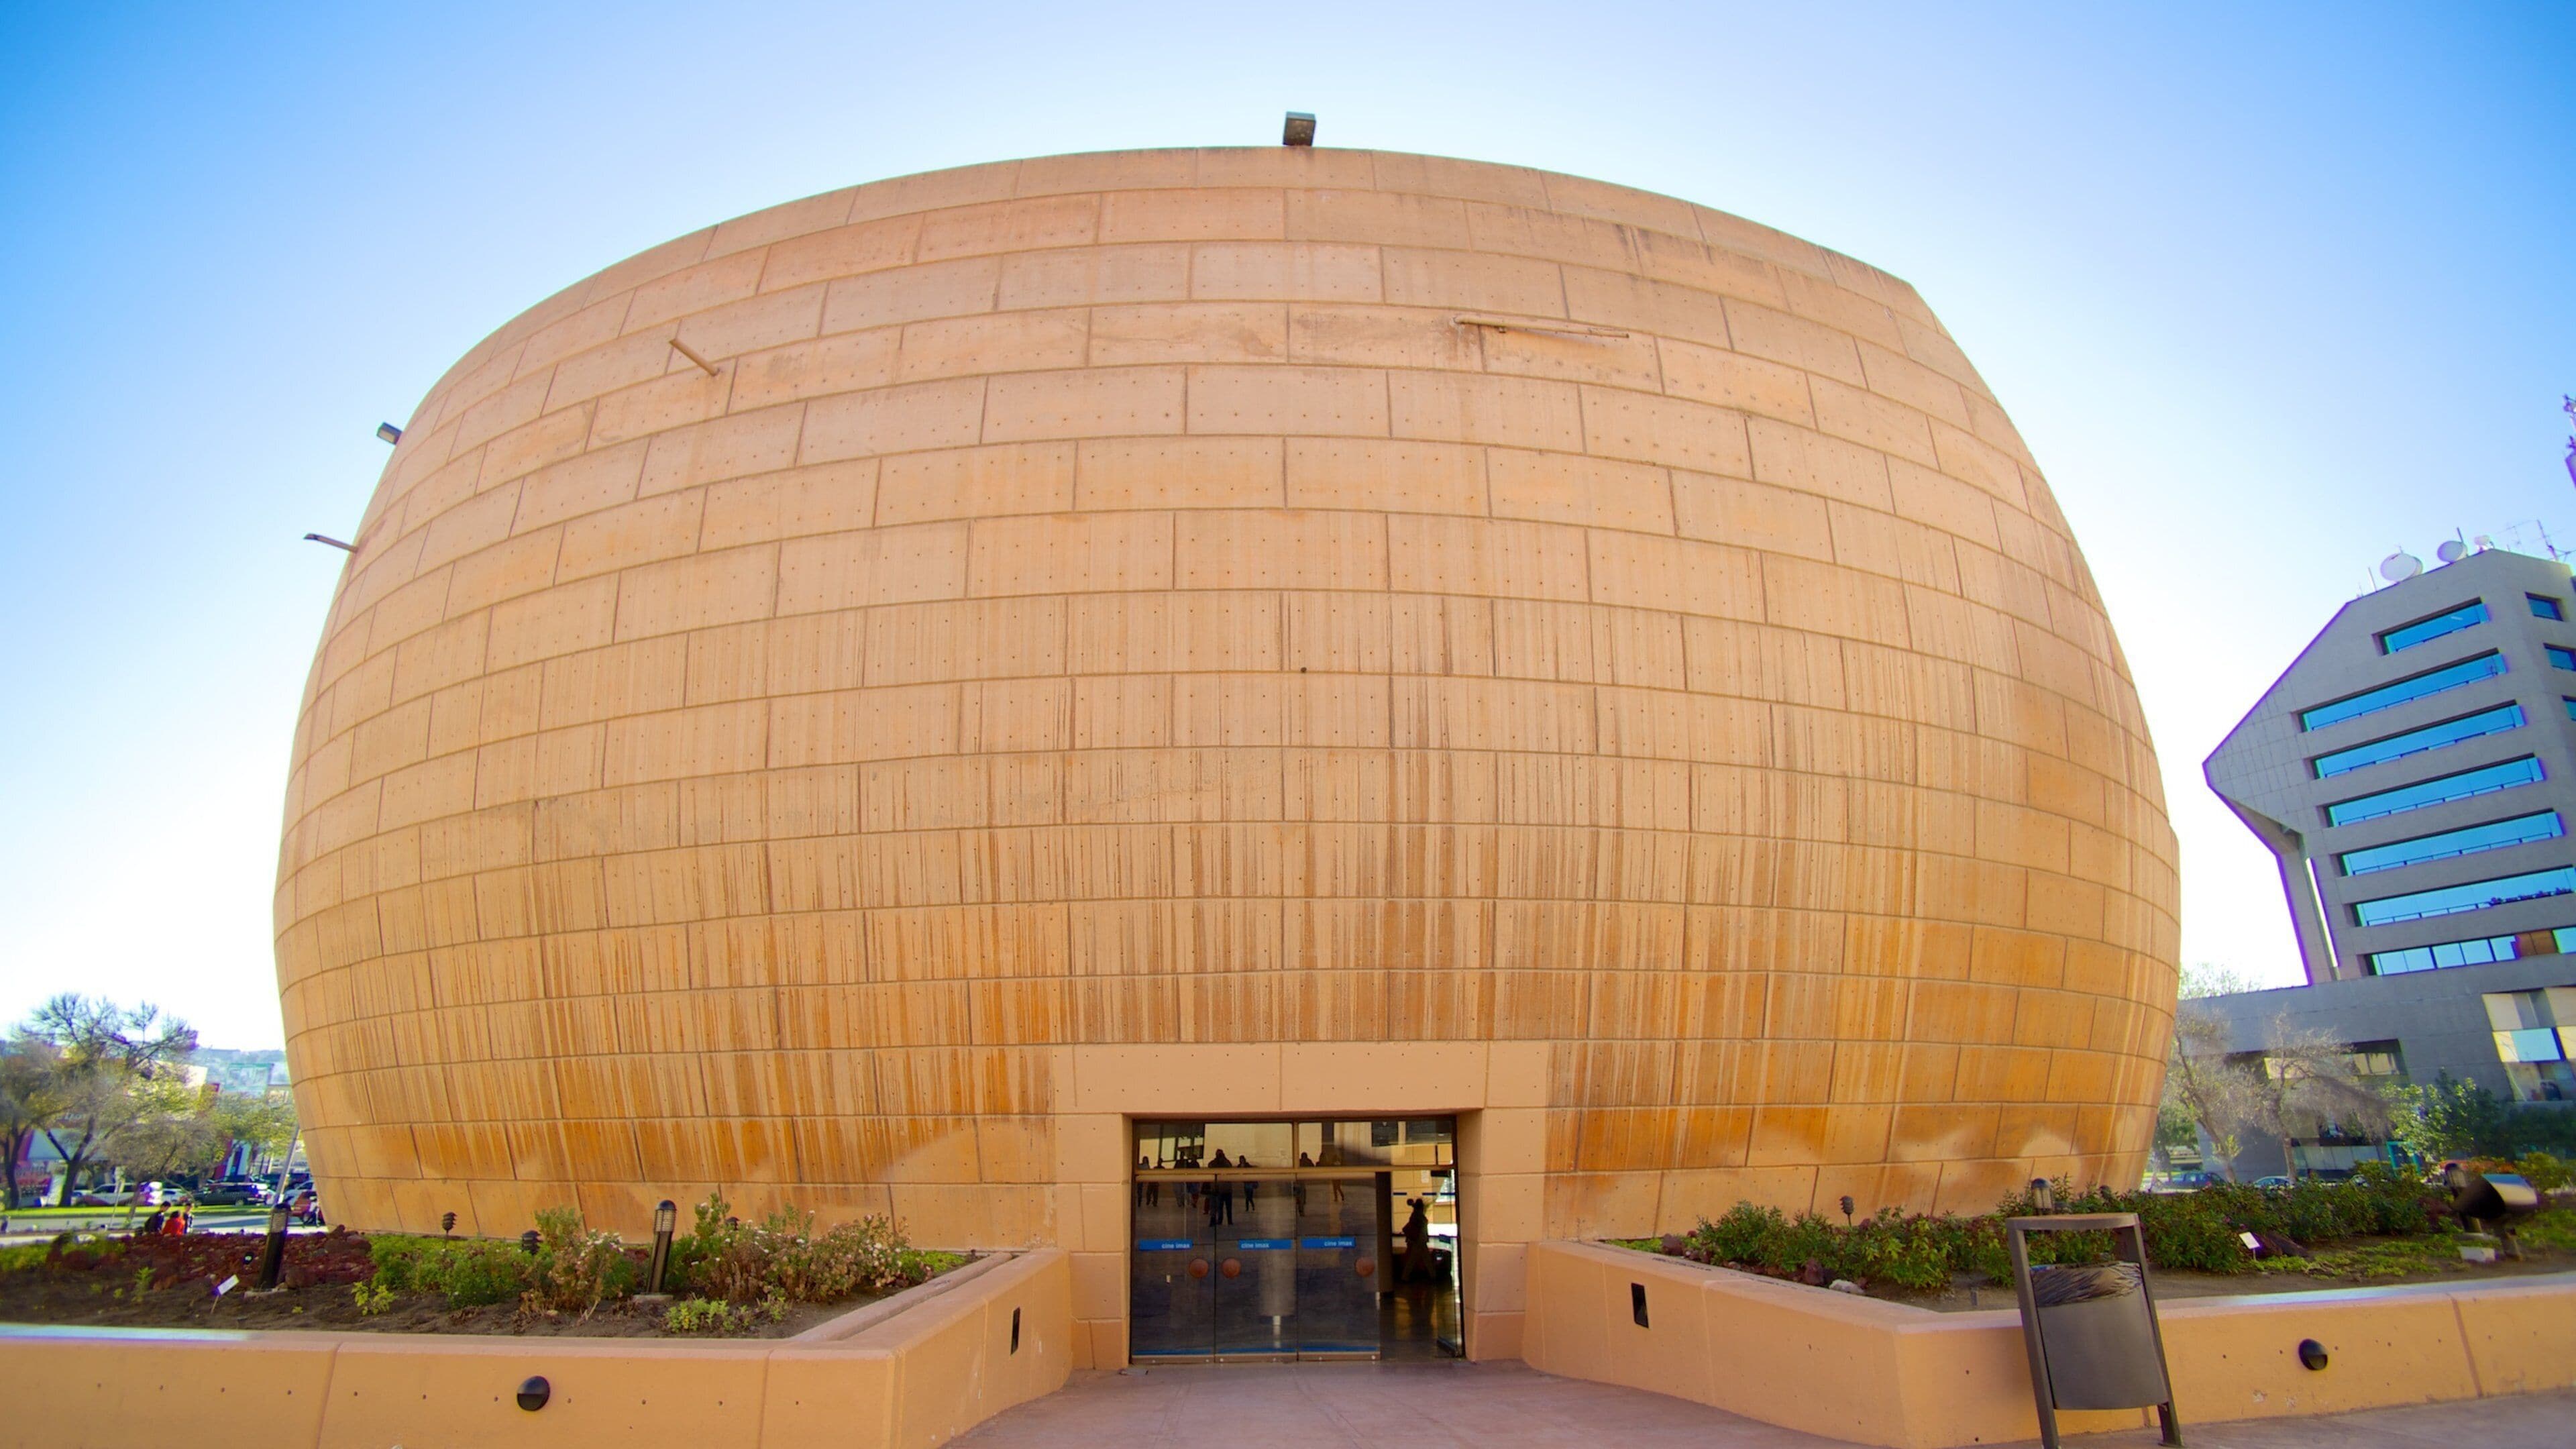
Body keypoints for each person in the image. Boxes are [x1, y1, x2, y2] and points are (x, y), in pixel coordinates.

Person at [1401, 1197, 1430, 1284]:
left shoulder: (1415, 1215)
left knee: (1414, 1259)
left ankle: (1405, 1277)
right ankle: (1433, 1276)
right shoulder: (1419, 1216)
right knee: (1424, 1259)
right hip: (1420, 1240)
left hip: (1417, 1240)